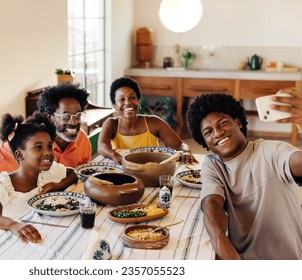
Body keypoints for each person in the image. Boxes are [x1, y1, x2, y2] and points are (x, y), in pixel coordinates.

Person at [186, 93, 302, 260]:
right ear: (204, 141)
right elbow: (211, 205)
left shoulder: (269, 151)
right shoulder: (213, 165)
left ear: (238, 123)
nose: (217, 133)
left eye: (223, 123)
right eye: (208, 132)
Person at [0, 83, 91, 193]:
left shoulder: (82, 140)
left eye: (78, 116)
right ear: (50, 118)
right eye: (66, 116)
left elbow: (81, 172)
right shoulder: (25, 142)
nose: (74, 122)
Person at [0, 112, 66, 243]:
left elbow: (73, 173)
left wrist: (60, 185)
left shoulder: (48, 172)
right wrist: (14, 225)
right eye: (38, 147)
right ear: (20, 155)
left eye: (49, 146)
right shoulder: (3, 183)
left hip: (24, 240)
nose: (48, 152)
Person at [97, 77, 194, 164]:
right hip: (122, 169)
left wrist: (186, 151)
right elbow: (102, 146)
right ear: (114, 106)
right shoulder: (111, 123)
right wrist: (115, 156)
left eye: (132, 97)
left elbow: (179, 145)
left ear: (139, 102)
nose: (128, 103)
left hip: (150, 170)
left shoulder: (154, 122)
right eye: (122, 99)